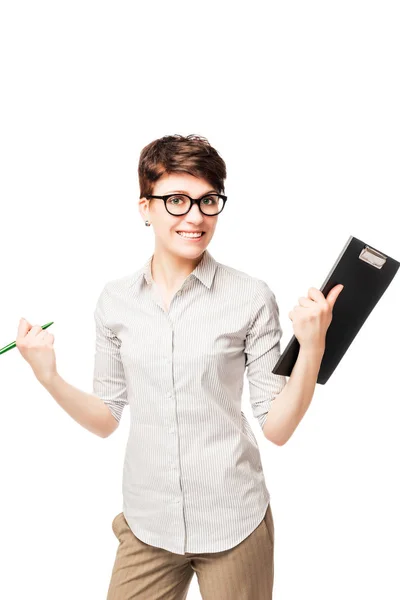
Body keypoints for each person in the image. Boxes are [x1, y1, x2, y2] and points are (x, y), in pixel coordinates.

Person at [16, 133, 343, 599]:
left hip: (235, 520)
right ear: (145, 208)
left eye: (208, 201)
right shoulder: (115, 301)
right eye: (176, 200)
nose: (195, 217)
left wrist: (311, 349)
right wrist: (47, 375)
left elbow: (277, 426)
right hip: (148, 523)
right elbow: (106, 417)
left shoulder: (250, 297)